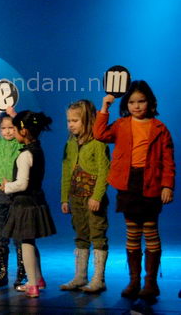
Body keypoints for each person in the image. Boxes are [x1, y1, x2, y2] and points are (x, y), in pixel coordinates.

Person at [95, 81, 174, 301]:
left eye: (141, 101)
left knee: (150, 230)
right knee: (132, 231)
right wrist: (105, 107)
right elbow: (100, 134)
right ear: (126, 104)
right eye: (132, 102)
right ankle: (134, 281)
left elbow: (168, 161)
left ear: (150, 103)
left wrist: (167, 185)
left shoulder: (160, 128)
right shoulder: (121, 124)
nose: (136, 106)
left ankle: (150, 283)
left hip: (150, 182)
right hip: (128, 183)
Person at [0, 111, 57, 298]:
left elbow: (22, 183)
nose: (14, 133)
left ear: (23, 131)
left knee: (26, 242)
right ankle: (38, 278)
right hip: (36, 201)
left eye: (15, 129)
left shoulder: (25, 155)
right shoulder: (38, 150)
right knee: (29, 241)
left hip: (25, 204)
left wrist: (7, 187)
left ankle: (32, 284)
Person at [60, 100, 110, 293]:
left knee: (97, 234)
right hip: (76, 197)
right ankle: (80, 276)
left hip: (92, 198)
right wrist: (65, 198)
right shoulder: (70, 144)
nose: (70, 125)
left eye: (75, 121)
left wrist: (97, 196)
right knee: (80, 235)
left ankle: (99, 279)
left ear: (87, 120)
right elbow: (66, 172)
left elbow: (104, 171)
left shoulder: (98, 143)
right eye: (68, 121)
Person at [0, 107, 26, 289]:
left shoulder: (20, 143)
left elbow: (28, 132)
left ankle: (22, 273)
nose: (8, 132)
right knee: (0, 235)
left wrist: (16, 116)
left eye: (11, 128)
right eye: (4, 128)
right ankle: (2, 273)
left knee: (19, 236)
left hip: (16, 194)